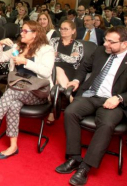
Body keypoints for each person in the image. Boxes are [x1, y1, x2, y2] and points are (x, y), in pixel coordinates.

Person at [0, 21, 55, 159]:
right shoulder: (18, 46)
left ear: (35, 34)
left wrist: (26, 62)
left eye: (25, 31)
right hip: (19, 88)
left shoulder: (46, 49)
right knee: (13, 104)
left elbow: (46, 72)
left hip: (37, 91)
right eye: (22, 30)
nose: (21, 33)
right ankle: (13, 146)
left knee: (12, 91)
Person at [55, 26, 127, 186]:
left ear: (124, 44)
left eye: (111, 42)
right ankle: (74, 157)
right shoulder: (102, 51)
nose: (106, 44)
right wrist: (76, 80)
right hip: (92, 94)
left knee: (107, 123)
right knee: (70, 111)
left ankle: (85, 167)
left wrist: (120, 98)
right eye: (105, 40)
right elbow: (84, 67)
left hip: (114, 101)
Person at [48, 20, 84, 124]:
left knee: (55, 81)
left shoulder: (78, 44)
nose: (62, 31)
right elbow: (49, 56)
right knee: (57, 71)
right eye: (61, 28)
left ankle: (52, 111)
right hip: (52, 68)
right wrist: (68, 57)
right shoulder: (53, 41)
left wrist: (58, 55)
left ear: (73, 31)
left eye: (66, 29)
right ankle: (70, 96)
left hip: (70, 71)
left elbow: (76, 60)